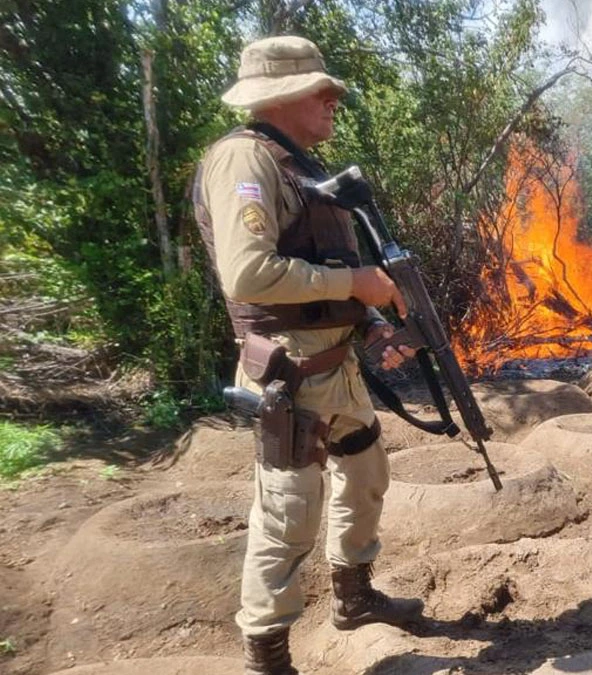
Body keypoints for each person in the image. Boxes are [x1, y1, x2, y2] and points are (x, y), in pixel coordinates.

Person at [192, 35, 423, 675]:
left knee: (367, 474)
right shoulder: (244, 159)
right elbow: (248, 274)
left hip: (336, 367)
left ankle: (355, 599)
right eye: (322, 93)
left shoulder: (298, 167)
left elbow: (329, 268)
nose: (333, 103)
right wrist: (356, 284)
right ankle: (267, 656)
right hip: (289, 375)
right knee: (289, 517)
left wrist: (369, 320)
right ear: (283, 96)